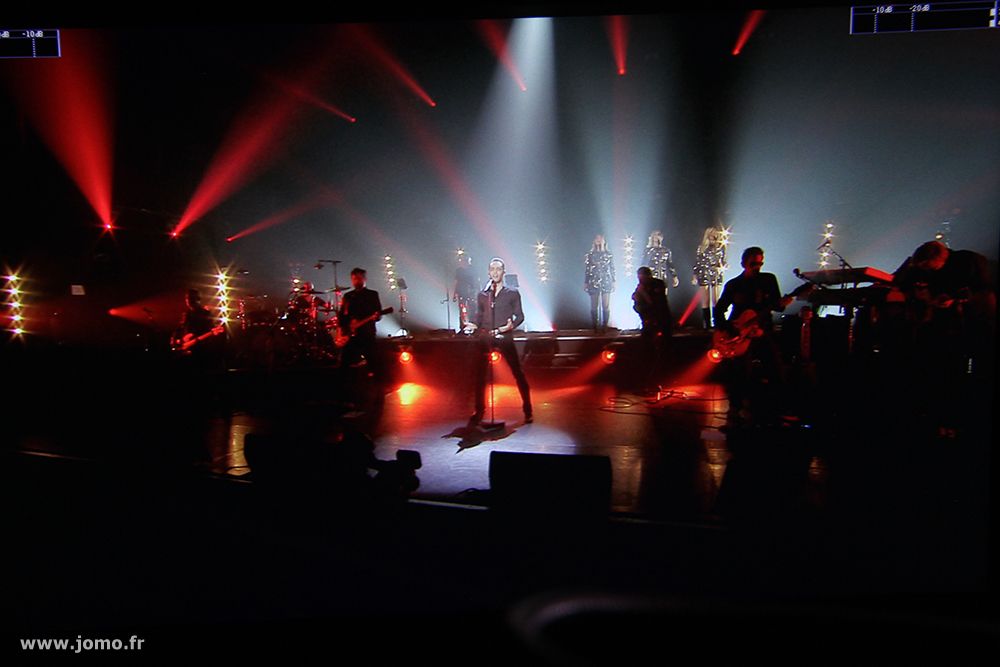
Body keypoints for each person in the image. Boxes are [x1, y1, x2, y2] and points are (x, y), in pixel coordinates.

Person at [891, 240, 996, 435]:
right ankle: (942, 417)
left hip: (975, 321)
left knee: (974, 366)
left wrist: (952, 299)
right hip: (945, 326)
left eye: (929, 267)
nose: (927, 271)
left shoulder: (969, 261)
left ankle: (967, 418)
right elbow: (901, 282)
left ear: (940, 258)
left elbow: (981, 290)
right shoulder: (925, 269)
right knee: (943, 367)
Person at [714, 247, 794, 423]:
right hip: (740, 333)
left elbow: (776, 305)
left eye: (760, 263)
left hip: (762, 330)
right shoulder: (734, 285)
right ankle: (736, 407)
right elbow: (719, 309)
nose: (757, 267)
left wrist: (783, 304)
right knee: (740, 371)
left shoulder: (768, 280)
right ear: (744, 263)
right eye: (753, 263)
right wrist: (727, 328)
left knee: (776, 367)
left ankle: (778, 407)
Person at [464, 258, 533, 424]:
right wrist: (474, 324)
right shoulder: (483, 295)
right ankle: (479, 411)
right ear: (488, 273)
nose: (495, 272)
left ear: (503, 272)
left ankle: (528, 409)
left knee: (517, 373)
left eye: (498, 269)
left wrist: (510, 326)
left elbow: (520, 316)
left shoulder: (512, 293)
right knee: (480, 374)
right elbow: (479, 316)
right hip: (487, 336)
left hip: (504, 336)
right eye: (492, 269)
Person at [338, 268, 384, 377]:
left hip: (367, 333)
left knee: (373, 361)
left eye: (359, 278)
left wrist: (376, 317)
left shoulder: (372, 295)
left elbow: (378, 314)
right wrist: (342, 332)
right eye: (354, 279)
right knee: (344, 362)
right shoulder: (348, 296)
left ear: (364, 279)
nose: (356, 281)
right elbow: (342, 315)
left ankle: (377, 381)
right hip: (351, 335)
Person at [632, 266, 672, 388]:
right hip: (648, 321)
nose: (641, 280)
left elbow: (655, 303)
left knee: (664, 349)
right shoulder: (641, 287)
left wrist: (643, 294)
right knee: (647, 349)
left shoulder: (658, 284)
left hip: (661, 320)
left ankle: (665, 378)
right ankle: (647, 379)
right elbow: (637, 302)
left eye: (642, 277)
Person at [692, 227, 728, 329]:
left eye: (715, 233)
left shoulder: (720, 247)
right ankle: (707, 324)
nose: (713, 235)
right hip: (704, 273)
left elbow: (723, 261)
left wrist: (724, 266)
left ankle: (717, 322)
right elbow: (697, 262)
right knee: (705, 300)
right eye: (711, 233)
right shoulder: (702, 248)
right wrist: (694, 275)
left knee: (716, 300)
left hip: (716, 274)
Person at [584, 234, 615, 333]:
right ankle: (595, 326)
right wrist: (586, 282)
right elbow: (587, 270)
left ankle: (605, 325)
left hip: (606, 281)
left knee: (605, 305)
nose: (599, 240)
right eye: (597, 238)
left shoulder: (608, 254)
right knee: (594, 305)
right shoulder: (590, 255)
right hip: (593, 281)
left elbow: (612, 268)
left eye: (600, 239)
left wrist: (613, 281)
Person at [453, 253, 477, 331]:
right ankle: (462, 327)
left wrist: (477, 291)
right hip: (461, 291)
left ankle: (472, 326)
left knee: (472, 310)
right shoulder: (459, 270)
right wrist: (454, 293)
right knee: (462, 310)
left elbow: (476, 281)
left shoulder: (472, 269)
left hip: (471, 292)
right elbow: (456, 282)